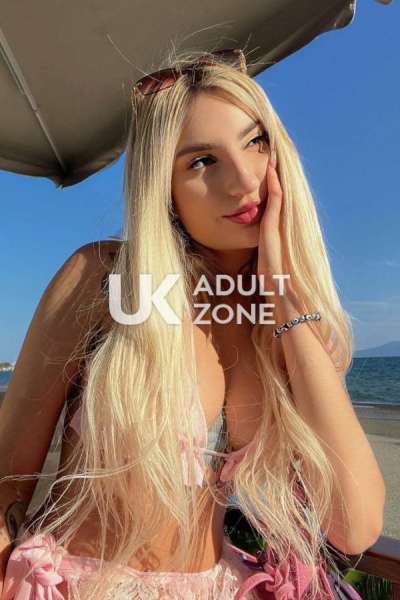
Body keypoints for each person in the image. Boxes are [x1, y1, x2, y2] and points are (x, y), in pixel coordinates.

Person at [0, 47, 385, 599]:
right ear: (164, 187)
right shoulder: (106, 280)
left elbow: (356, 524)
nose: (243, 180)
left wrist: (284, 297)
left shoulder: (285, 322)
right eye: (202, 161)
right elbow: (7, 478)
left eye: (256, 142)